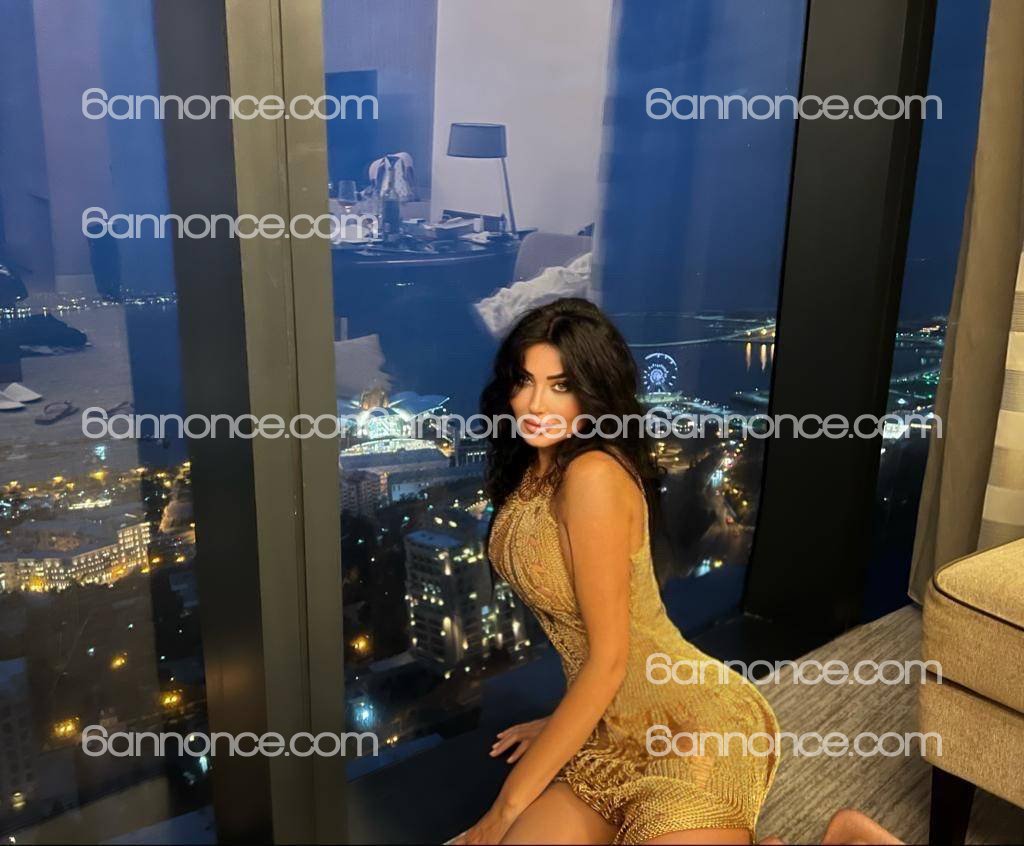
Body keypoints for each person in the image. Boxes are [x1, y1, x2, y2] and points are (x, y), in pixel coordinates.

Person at [455, 298, 780, 845]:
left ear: (592, 390)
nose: (534, 403)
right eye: (524, 380)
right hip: (607, 729)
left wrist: (504, 810)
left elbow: (609, 660)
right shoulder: (534, 468)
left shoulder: (593, 475)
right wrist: (564, 724)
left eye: (560, 385)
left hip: (692, 723)